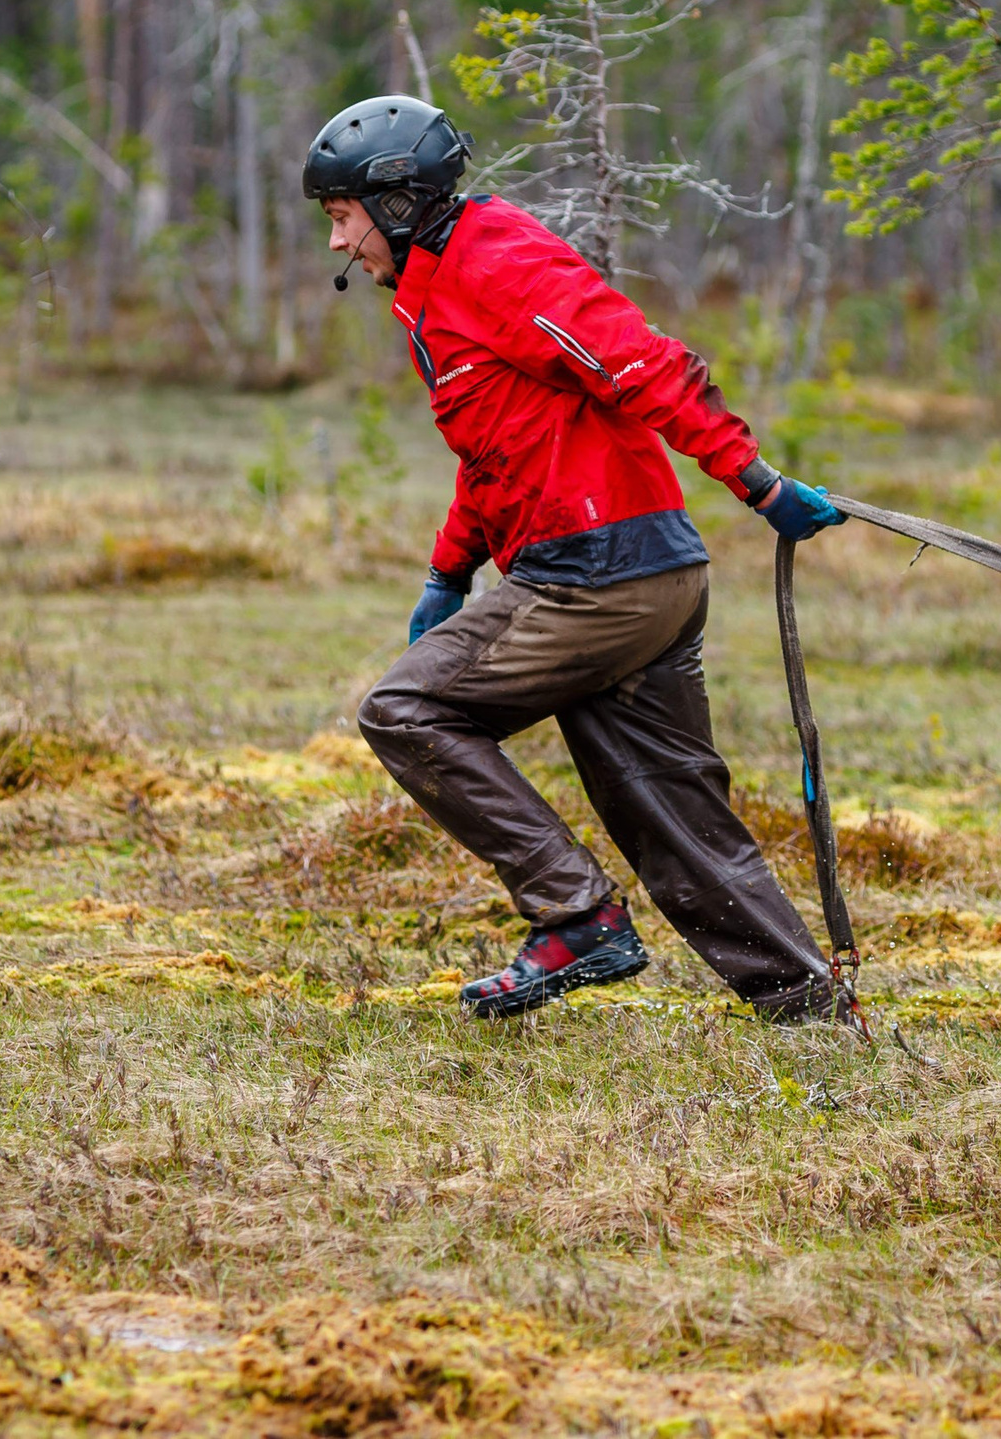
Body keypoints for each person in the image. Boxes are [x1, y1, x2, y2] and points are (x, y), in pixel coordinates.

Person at [304, 93, 851, 1023]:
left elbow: (641, 362)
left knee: (404, 708)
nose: (336, 244)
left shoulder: (500, 262)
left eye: (342, 218)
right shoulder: (434, 291)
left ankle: (579, 918)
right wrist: (449, 572)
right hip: (648, 575)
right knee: (669, 809)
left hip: (596, 574)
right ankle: (804, 1004)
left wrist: (757, 483)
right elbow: (496, 449)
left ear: (396, 204)